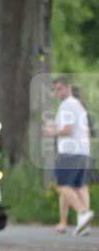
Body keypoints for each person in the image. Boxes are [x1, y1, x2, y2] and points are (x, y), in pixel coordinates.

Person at [45, 77, 93, 236]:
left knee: (62, 185)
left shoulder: (66, 106)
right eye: (56, 89)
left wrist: (53, 132)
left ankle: (82, 213)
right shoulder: (78, 105)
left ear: (68, 88)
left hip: (69, 152)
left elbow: (68, 130)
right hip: (82, 151)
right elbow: (84, 130)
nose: (58, 92)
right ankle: (72, 223)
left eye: (60, 89)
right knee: (79, 187)